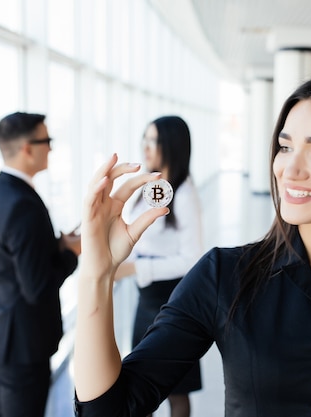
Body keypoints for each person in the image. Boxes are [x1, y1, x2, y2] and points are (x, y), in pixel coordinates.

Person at [73, 75, 311, 417]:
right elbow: (110, 409)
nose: (289, 169)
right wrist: (97, 273)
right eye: (284, 147)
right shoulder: (224, 277)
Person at [0, 112, 81, 417]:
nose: (50, 148)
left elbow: (13, 258)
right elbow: (37, 287)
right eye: (46, 140)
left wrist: (56, 245)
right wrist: (72, 253)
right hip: (24, 342)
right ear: (27, 148)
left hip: (6, 334)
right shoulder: (22, 203)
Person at [114, 116, 204, 417]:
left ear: (172, 146)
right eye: (145, 139)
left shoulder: (184, 193)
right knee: (140, 382)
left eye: (154, 141)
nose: (146, 147)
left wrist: (136, 270)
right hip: (147, 298)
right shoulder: (151, 185)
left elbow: (192, 260)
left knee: (176, 388)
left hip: (173, 298)